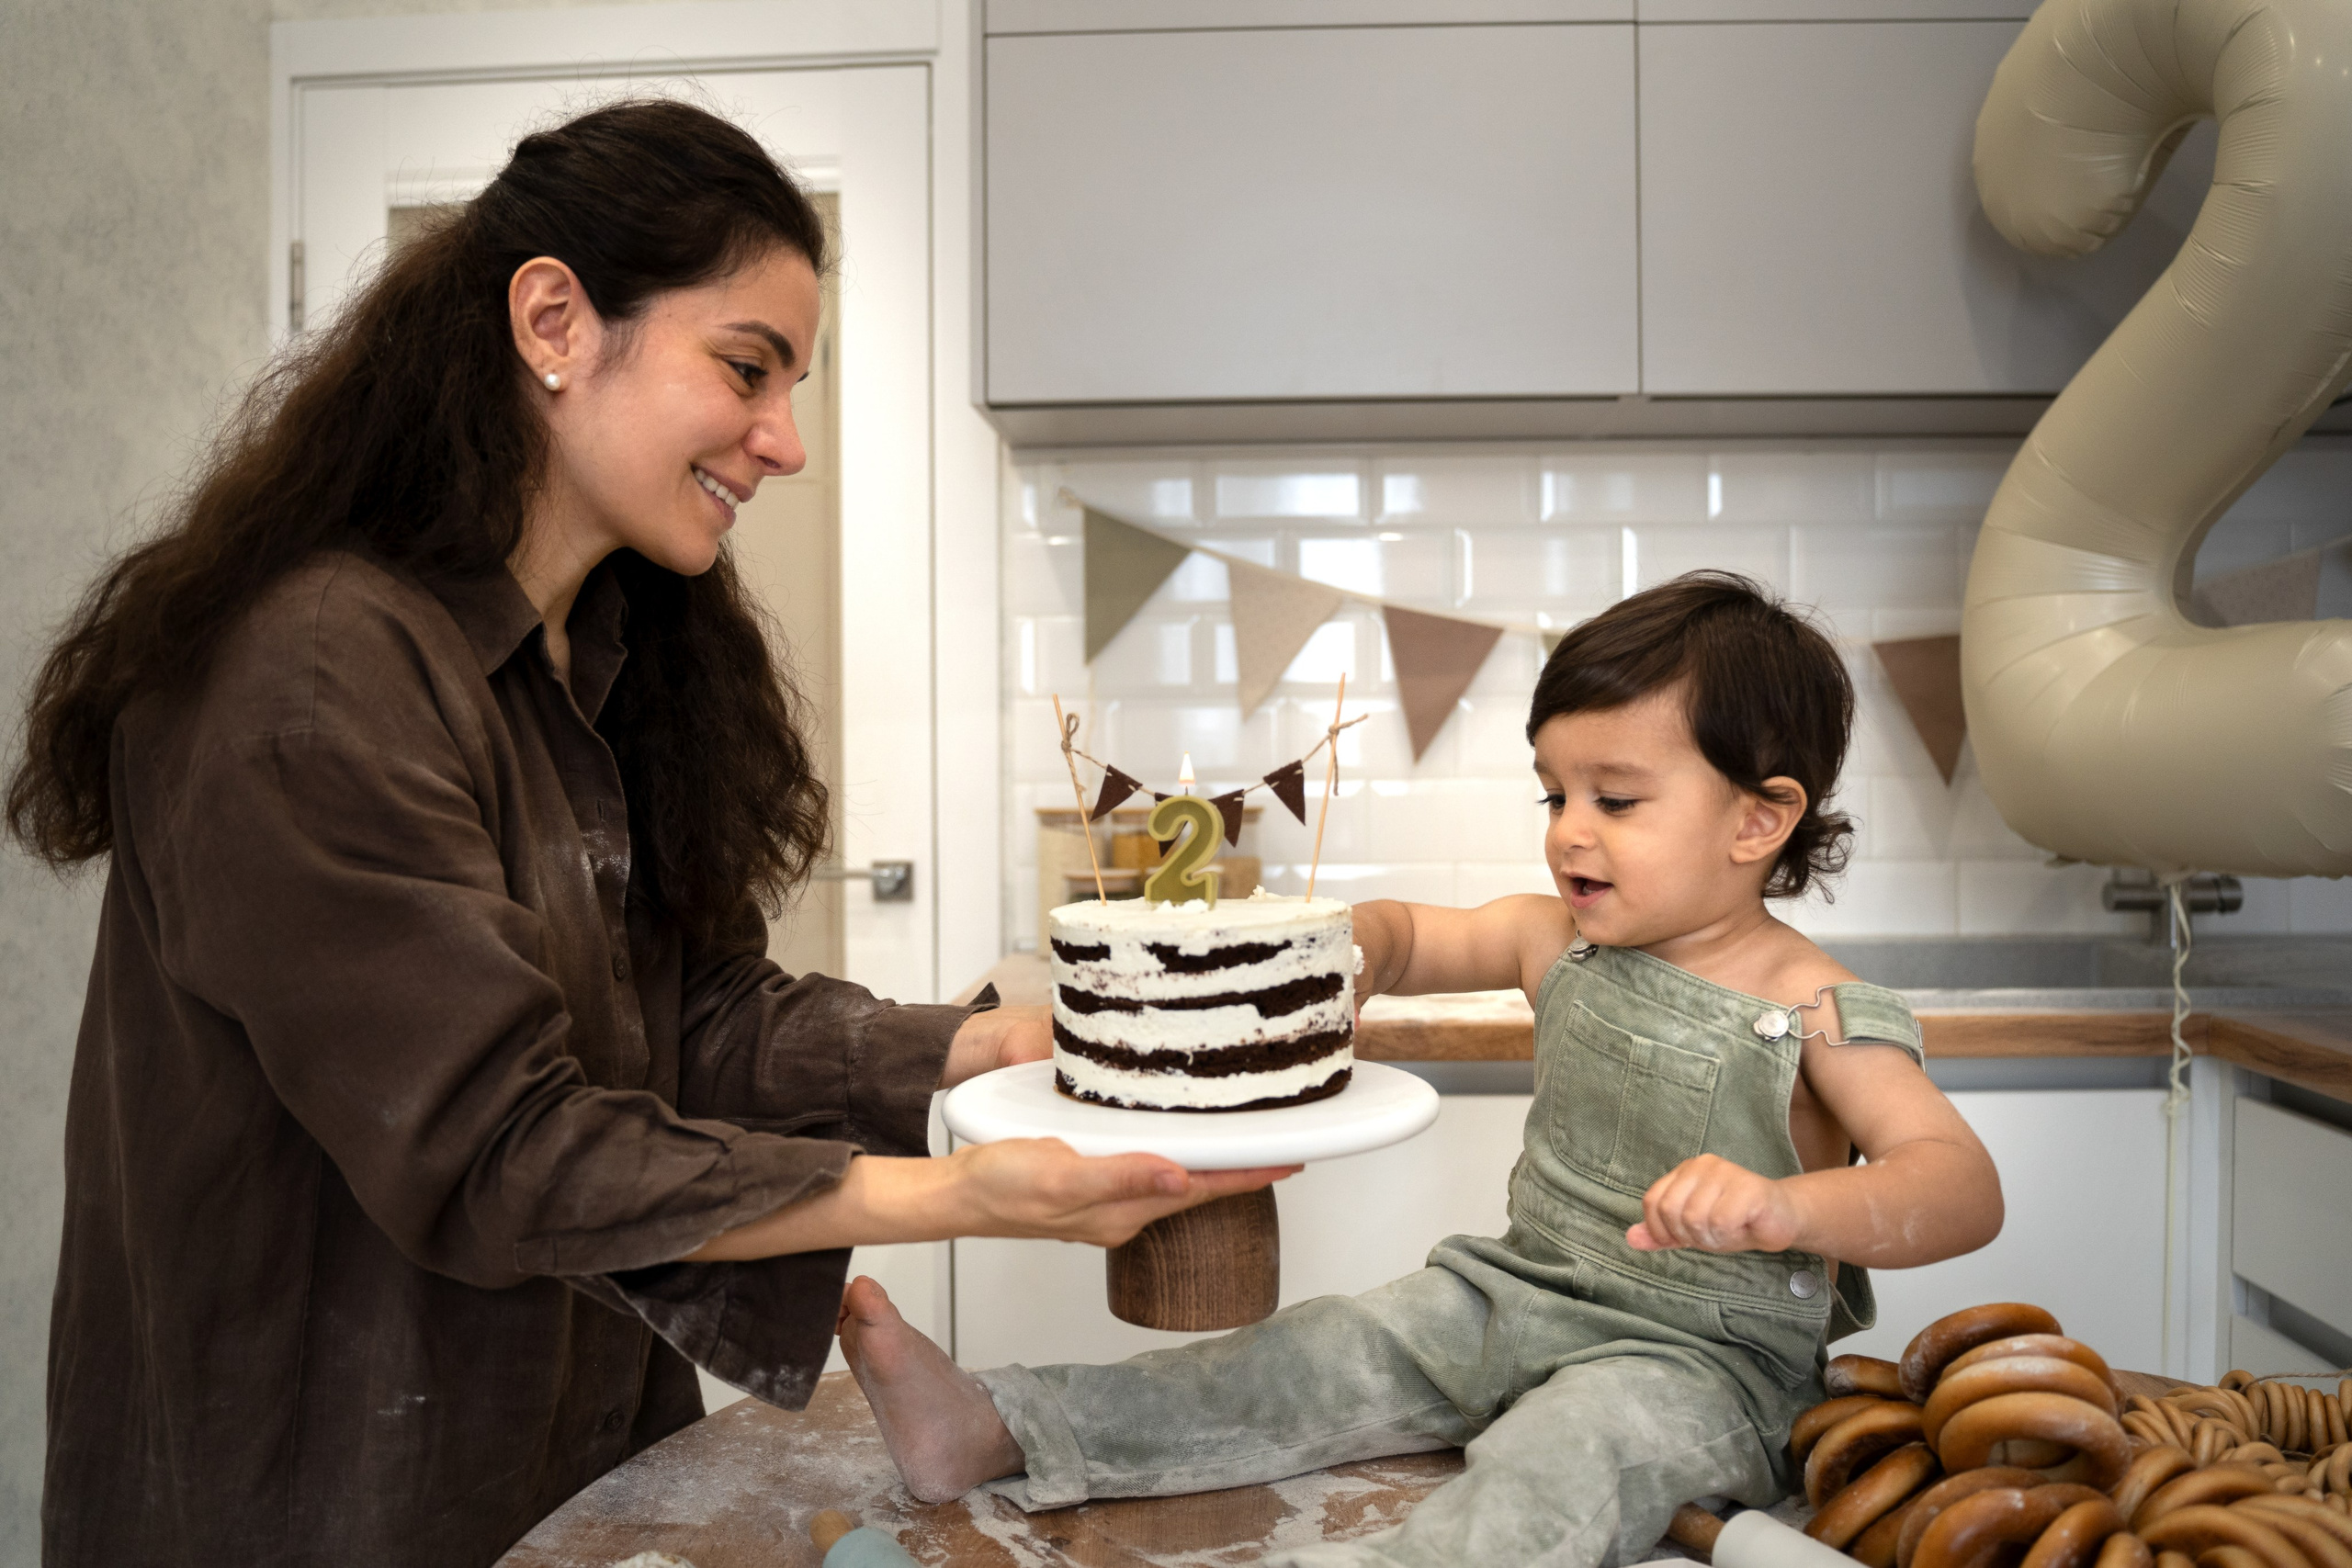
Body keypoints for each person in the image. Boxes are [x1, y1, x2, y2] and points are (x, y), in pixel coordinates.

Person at [8, 99, 1284, 1567]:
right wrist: (962, 1195)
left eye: (793, 384)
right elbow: (506, 1145)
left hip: (580, 1455)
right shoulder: (310, 676)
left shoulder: (604, 656)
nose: (785, 441)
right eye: (746, 368)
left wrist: (975, 1045)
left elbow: (690, 1013)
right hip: (323, 1496)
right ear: (554, 318)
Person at [839, 571, 2007, 1567]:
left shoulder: (1814, 1009)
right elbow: (1407, 928)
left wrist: (1785, 1205)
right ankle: (1001, 1427)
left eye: (1616, 799)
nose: (1568, 830)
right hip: (1504, 1295)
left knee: (1563, 1456)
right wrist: (1352, 962)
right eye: (1556, 793)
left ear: (1759, 821)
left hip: (1700, 1368)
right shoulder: (1552, 939)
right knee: (1319, 1348)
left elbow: (1956, 1184)